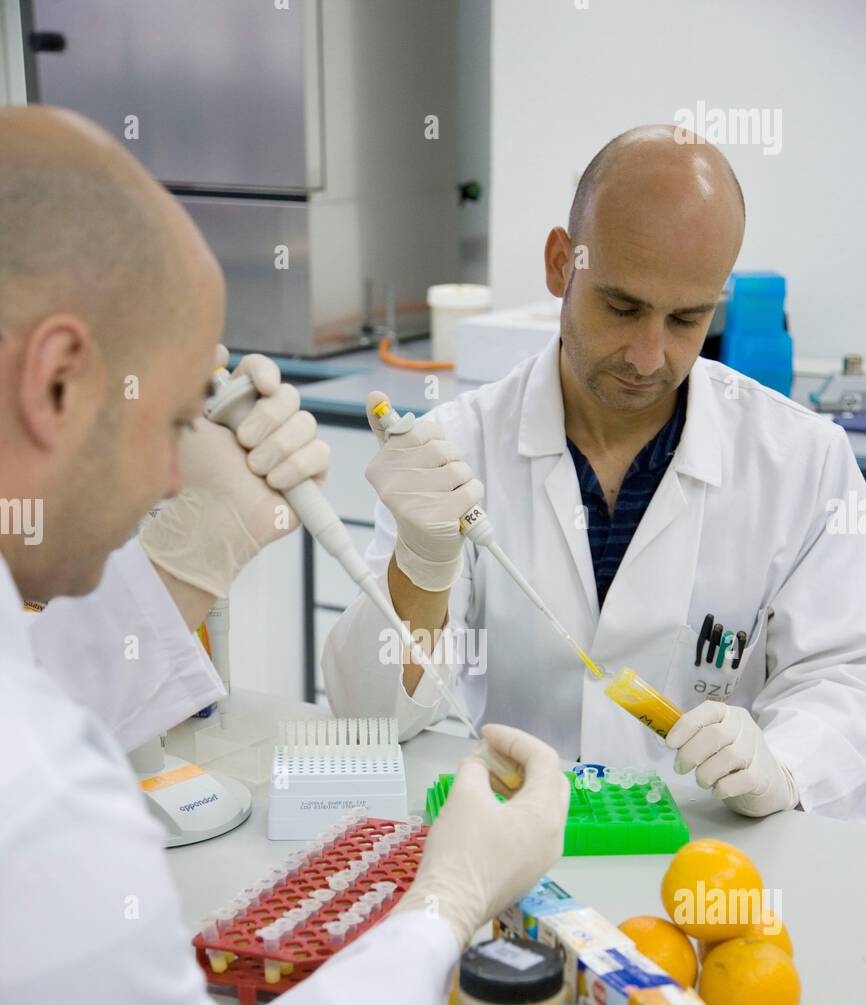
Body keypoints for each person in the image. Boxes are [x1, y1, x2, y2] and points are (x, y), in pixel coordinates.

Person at [0, 107, 569, 1005]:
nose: (173, 469)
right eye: (167, 426)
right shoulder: (32, 786)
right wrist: (440, 908)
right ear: (56, 379)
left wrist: (174, 568)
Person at [324, 125, 866, 821]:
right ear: (560, 263)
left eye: (686, 319)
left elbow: (843, 680)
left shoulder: (803, 462)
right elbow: (370, 719)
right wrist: (422, 570)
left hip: (708, 862)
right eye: (622, 306)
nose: (648, 356)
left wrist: (784, 765)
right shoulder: (456, 447)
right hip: (510, 848)